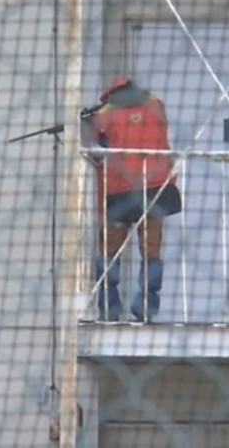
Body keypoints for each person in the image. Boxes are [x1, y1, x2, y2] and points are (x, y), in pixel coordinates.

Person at [82, 77, 182, 322]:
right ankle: (146, 308)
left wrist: (86, 120)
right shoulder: (155, 104)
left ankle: (110, 309)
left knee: (109, 251)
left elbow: (92, 146)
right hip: (157, 186)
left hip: (118, 190)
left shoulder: (105, 114)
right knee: (151, 251)